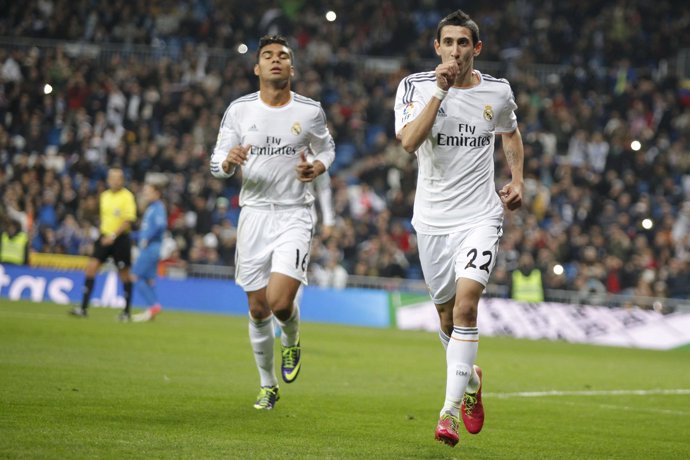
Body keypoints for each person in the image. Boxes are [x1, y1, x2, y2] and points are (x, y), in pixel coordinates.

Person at [394, 10, 524, 447]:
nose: (455, 50)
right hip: (431, 219)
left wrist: (517, 179)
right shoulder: (414, 87)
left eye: (463, 43)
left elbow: (510, 132)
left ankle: (448, 413)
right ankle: (470, 381)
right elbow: (410, 142)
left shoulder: (498, 91)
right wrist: (439, 91)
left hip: (480, 216)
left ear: (476, 48)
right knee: (447, 318)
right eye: (447, 42)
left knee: (467, 307)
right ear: (437, 47)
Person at [210, 35, 335, 410]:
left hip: (295, 213)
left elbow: (327, 147)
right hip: (253, 215)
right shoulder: (239, 110)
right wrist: (228, 162)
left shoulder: (310, 111)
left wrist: (318, 165)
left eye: (283, 56)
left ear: (292, 68)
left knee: (280, 301)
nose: (275, 60)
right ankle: (267, 385)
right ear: (257, 68)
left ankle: (292, 340)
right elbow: (217, 162)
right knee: (257, 308)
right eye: (268, 56)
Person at [69, 167, 137, 321]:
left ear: (122, 180)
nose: (115, 181)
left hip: (120, 239)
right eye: (112, 178)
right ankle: (83, 308)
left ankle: (126, 312)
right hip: (104, 237)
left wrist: (113, 235)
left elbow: (128, 220)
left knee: (124, 274)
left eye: (118, 178)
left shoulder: (127, 197)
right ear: (108, 180)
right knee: (91, 267)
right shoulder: (104, 196)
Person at [131, 181, 168, 322]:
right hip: (149, 247)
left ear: (156, 193)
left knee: (135, 276)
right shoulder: (151, 208)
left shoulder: (158, 207)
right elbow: (145, 231)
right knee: (149, 280)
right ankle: (152, 309)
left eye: (148, 191)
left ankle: (153, 305)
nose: (145, 194)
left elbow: (160, 226)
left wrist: (147, 239)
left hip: (151, 248)